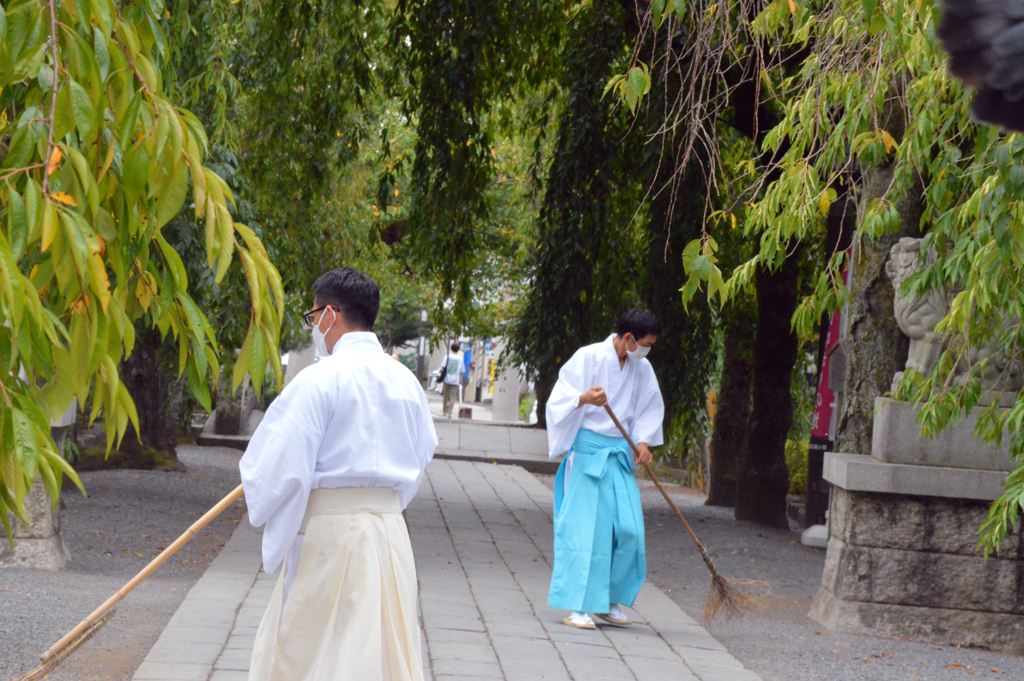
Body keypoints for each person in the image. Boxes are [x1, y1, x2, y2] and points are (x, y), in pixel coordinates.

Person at [239, 267, 437, 681]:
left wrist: (265, 489)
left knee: (313, 647)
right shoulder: (406, 382)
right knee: (380, 647)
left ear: (330, 314)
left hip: (331, 533)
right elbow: (422, 455)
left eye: (314, 317)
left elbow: (280, 461)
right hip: (389, 532)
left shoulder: (319, 379)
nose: (315, 327)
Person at [545, 308, 665, 630]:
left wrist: (642, 443)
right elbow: (558, 400)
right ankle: (579, 605)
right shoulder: (588, 357)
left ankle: (608, 600)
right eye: (646, 343)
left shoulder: (642, 367)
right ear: (628, 338)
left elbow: (649, 408)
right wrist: (583, 398)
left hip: (619, 455)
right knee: (587, 533)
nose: (647, 349)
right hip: (589, 453)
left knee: (628, 531)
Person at [442, 341, 463, 417]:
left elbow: (442, 366)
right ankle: (450, 412)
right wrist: (460, 379)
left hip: (446, 379)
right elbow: (461, 370)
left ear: (451, 348)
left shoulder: (447, 357)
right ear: (458, 349)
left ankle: (444, 411)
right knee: (453, 396)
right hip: (455, 380)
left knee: (445, 395)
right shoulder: (460, 359)